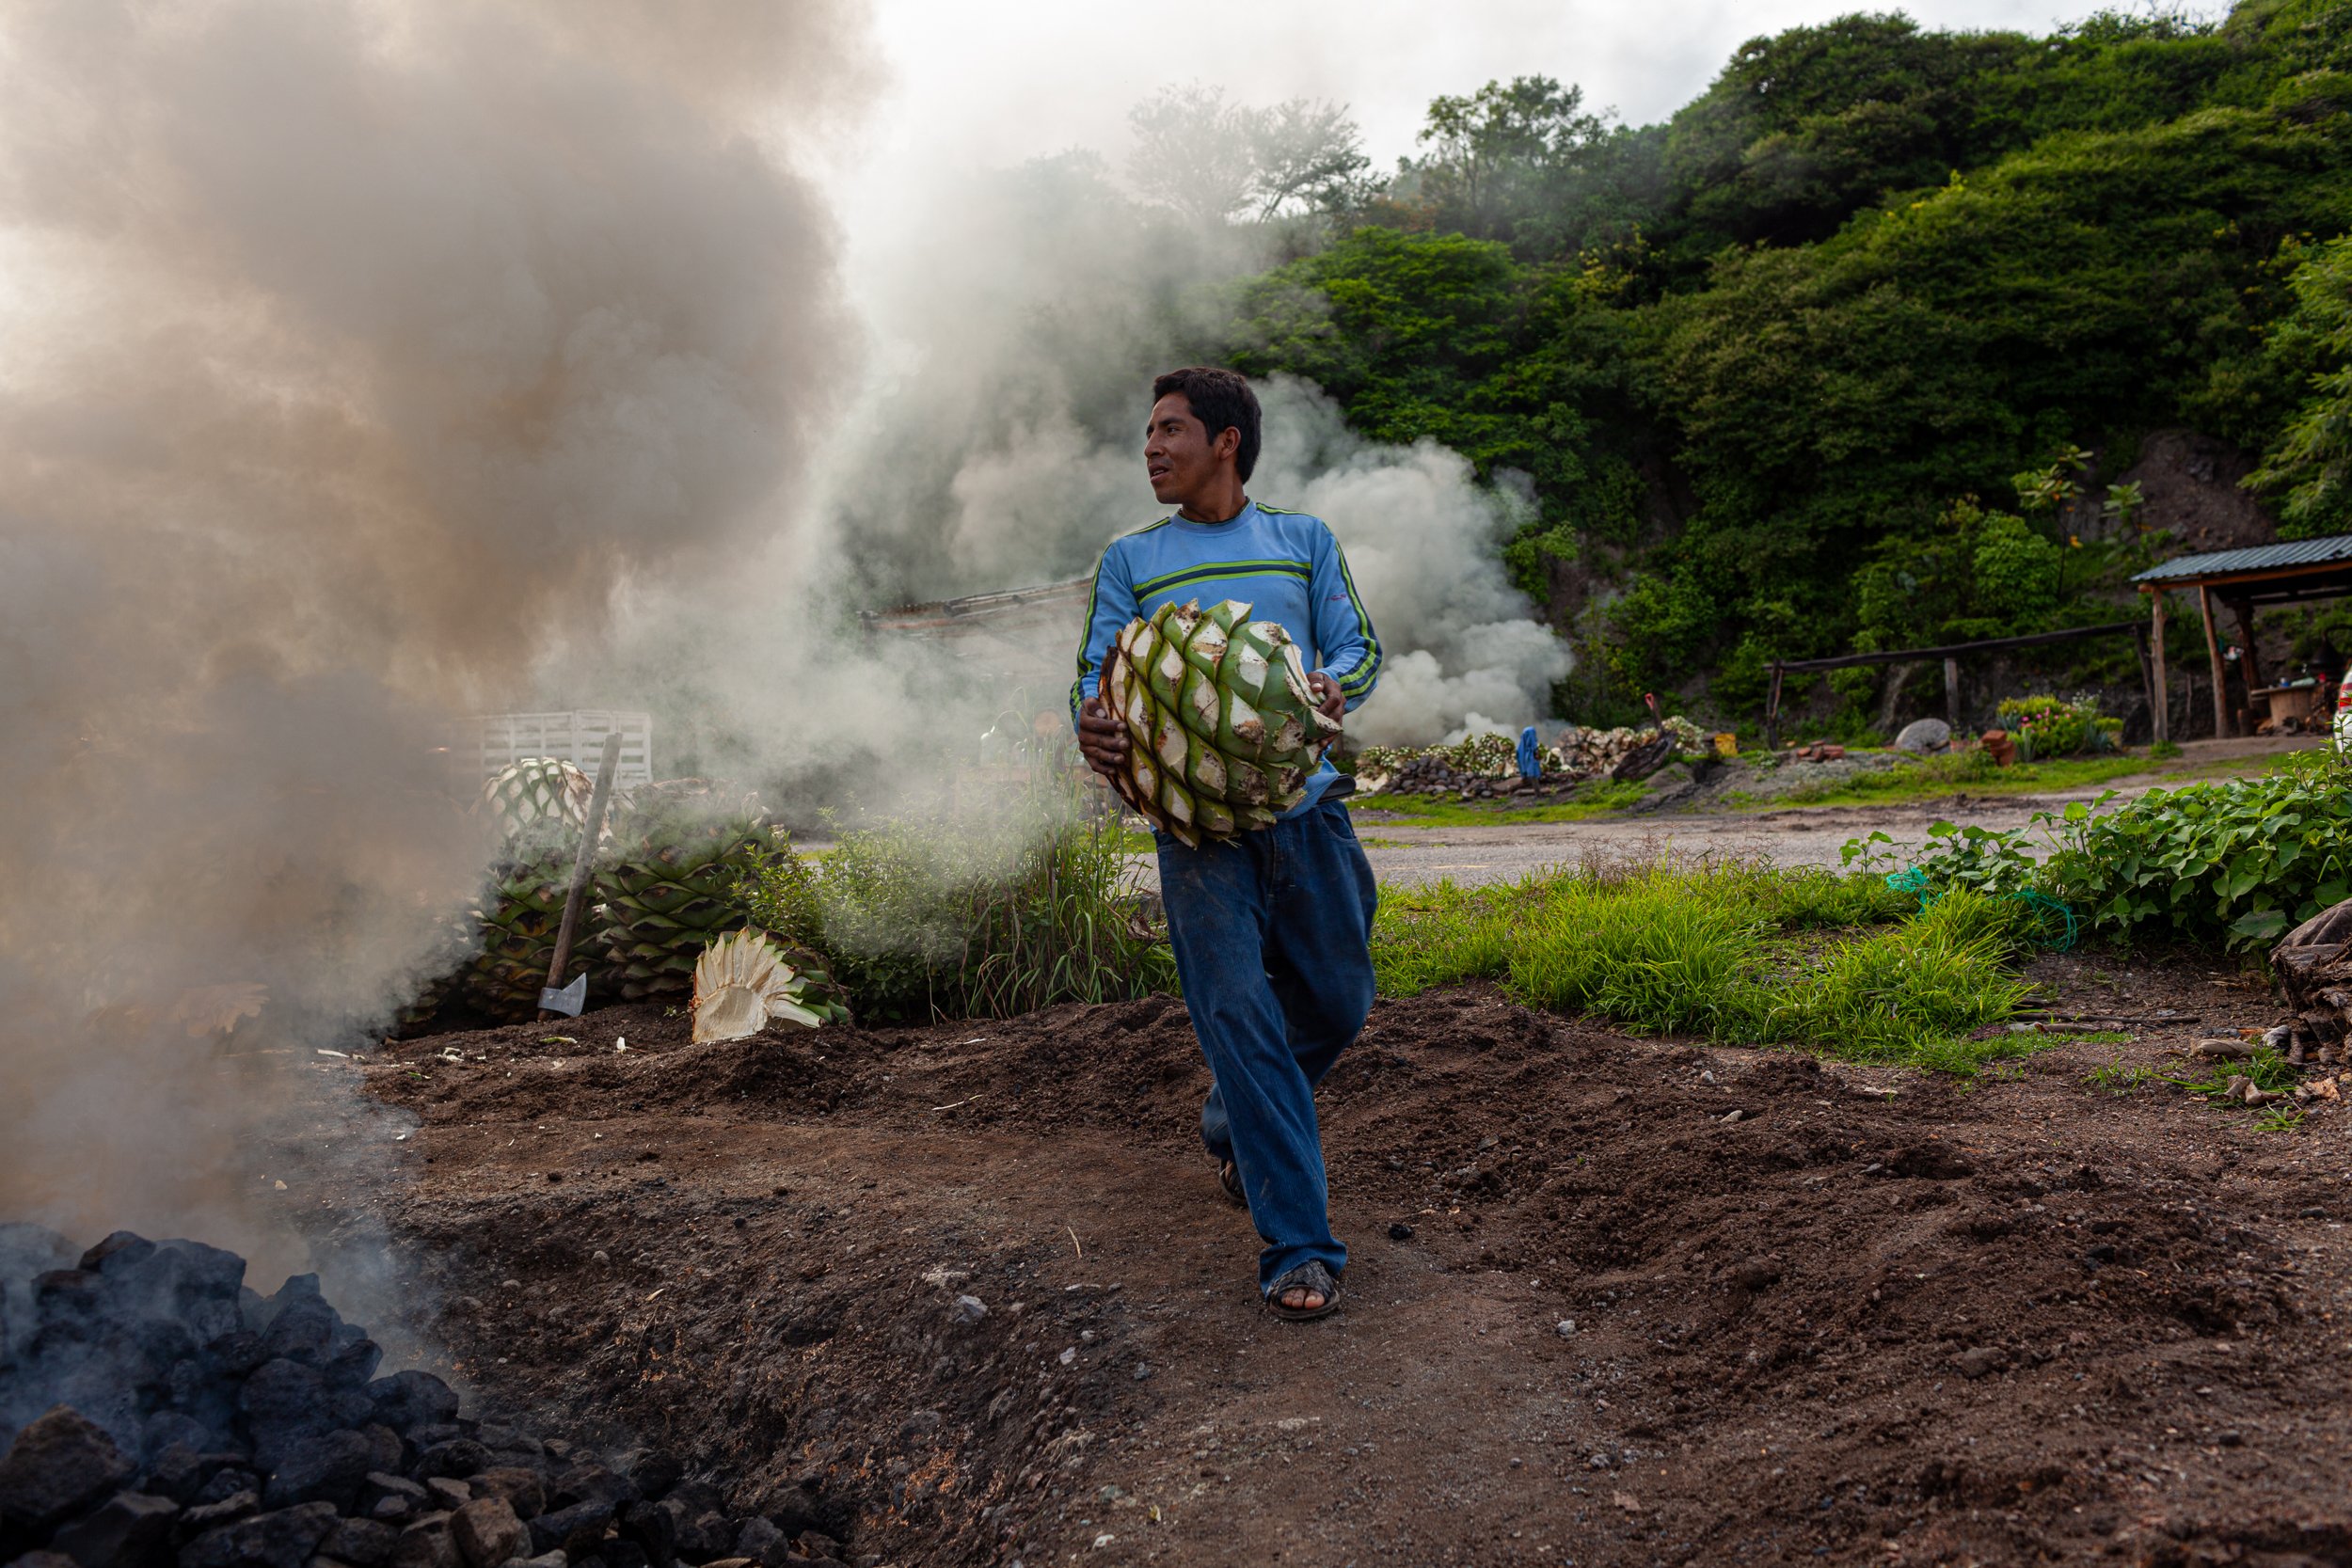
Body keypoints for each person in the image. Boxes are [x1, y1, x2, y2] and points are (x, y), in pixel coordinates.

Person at [1070, 366, 1383, 1323]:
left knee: (1337, 997)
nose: (1152, 448)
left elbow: (1357, 647)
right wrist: (1093, 727)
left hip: (1307, 811)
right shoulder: (1130, 559)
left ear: (1226, 442)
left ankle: (1230, 1119)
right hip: (1196, 833)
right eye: (1148, 434)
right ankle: (1299, 1245)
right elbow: (1094, 678)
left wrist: (1332, 687)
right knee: (1238, 1017)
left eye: (1170, 430)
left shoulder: (1302, 542)